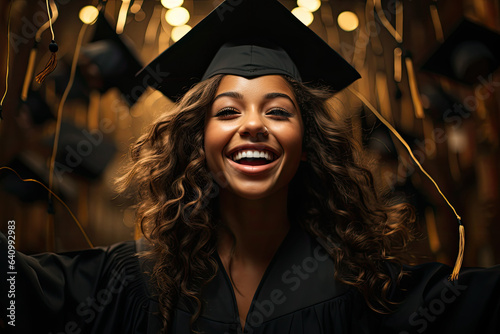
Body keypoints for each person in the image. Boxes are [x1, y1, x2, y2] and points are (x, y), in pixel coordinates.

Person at [1, 0, 500, 333]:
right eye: (227, 111)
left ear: (308, 145)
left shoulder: (367, 292)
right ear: (198, 143)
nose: (254, 125)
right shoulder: (131, 281)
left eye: (279, 111)